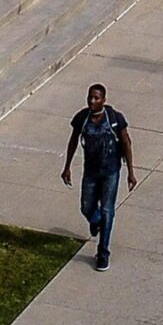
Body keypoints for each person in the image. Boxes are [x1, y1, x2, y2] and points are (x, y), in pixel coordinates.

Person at [61, 82, 137, 271]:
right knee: (87, 207)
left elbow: (126, 143)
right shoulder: (82, 119)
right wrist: (67, 166)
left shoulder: (114, 119)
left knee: (107, 210)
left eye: (96, 98)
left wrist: (130, 172)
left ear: (104, 100)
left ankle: (103, 253)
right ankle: (96, 223)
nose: (92, 101)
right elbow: (73, 141)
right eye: (90, 97)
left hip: (111, 171)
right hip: (91, 172)